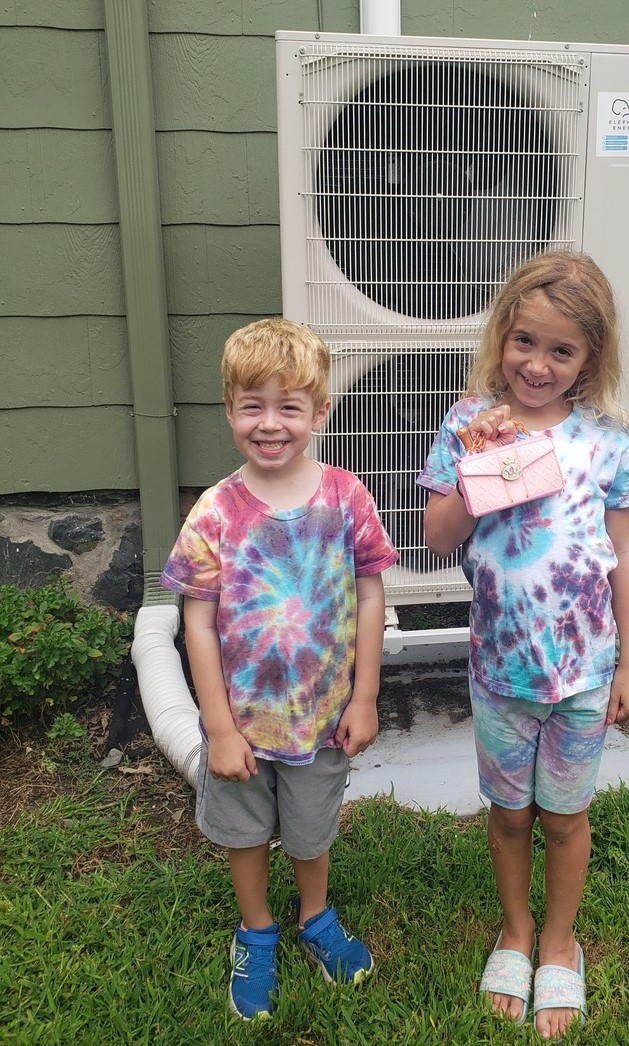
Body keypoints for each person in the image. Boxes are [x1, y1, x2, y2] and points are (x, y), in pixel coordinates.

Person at [418, 251, 629, 1040]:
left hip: (584, 672)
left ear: (591, 357)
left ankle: (560, 942)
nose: (537, 364)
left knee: (565, 816)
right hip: (501, 669)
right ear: (501, 336)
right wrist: (481, 464)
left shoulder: (605, 442)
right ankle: (516, 929)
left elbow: (622, 555)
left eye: (562, 350)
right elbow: (438, 534)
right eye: (524, 342)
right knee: (510, 814)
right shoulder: (468, 422)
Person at [161, 318, 398, 1021]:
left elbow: (369, 593)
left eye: (289, 406)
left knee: (310, 828)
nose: (270, 424)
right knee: (242, 833)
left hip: (323, 717)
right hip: (240, 719)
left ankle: (316, 916)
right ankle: (256, 929)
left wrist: (366, 697)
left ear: (319, 412)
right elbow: (196, 621)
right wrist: (217, 726)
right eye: (251, 406)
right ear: (229, 411)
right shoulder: (214, 514)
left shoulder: (347, 498)